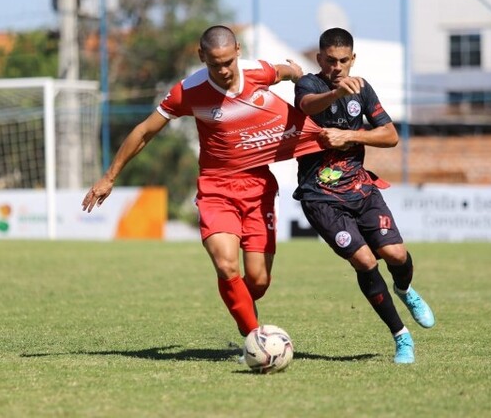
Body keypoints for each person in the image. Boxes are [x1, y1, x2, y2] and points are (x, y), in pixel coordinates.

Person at [82, 25, 322, 342]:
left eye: (227, 62)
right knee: (226, 265)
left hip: (258, 188)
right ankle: (255, 338)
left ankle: (244, 310)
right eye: (214, 64)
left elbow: (281, 71)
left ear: (237, 50)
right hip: (216, 189)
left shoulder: (255, 71)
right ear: (201, 57)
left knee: (258, 280)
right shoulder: (188, 91)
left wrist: (294, 72)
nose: (222, 70)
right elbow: (144, 132)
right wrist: (109, 177)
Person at [293, 27, 435, 364]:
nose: (337, 67)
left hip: (361, 188)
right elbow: (307, 105)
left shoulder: (363, 89)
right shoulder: (309, 85)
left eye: (343, 61)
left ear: (353, 59)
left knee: (395, 254)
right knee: (365, 261)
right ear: (319, 59)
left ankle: (404, 291)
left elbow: (389, 135)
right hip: (321, 197)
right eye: (330, 61)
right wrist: (335, 93)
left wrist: (348, 135)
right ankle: (402, 338)